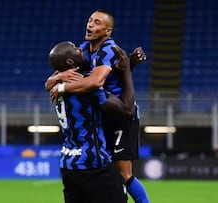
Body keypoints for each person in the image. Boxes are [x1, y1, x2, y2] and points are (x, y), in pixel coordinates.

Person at [47, 9, 149, 203]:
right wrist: (59, 77)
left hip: (121, 113)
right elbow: (50, 81)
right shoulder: (84, 49)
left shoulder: (109, 49)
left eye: (97, 22)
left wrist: (62, 88)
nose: (90, 25)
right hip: (103, 114)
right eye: (89, 20)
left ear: (107, 31)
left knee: (124, 175)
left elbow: (95, 82)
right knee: (108, 170)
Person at [48, 41, 128, 203]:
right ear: (70, 62)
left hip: (68, 164)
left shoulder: (55, 85)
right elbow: (126, 110)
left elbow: (50, 82)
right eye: (75, 48)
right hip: (94, 163)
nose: (80, 49)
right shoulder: (85, 85)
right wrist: (127, 72)